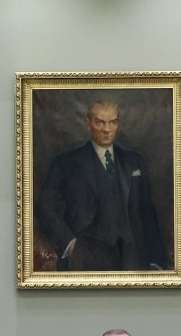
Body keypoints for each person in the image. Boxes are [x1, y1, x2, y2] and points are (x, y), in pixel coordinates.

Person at [37, 99, 169, 271]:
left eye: (113, 122)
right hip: (84, 256)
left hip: (132, 257)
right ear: (88, 123)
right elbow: (46, 207)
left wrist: (156, 260)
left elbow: (147, 212)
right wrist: (69, 243)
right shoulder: (66, 163)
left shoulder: (134, 161)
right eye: (100, 122)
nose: (107, 129)